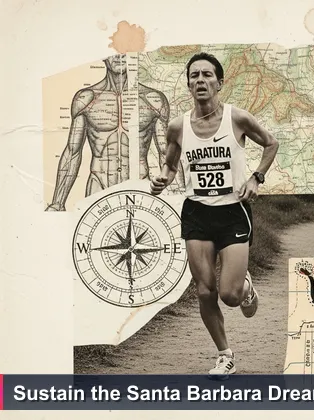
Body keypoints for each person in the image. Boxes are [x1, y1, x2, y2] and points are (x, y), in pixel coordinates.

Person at [149, 52, 280, 376]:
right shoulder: (178, 126)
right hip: (197, 213)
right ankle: (224, 354)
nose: (200, 81)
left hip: (233, 212)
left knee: (230, 295)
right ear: (189, 84)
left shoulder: (237, 118)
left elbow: (271, 143)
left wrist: (256, 177)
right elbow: (170, 162)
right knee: (204, 289)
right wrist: (163, 178)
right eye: (194, 75)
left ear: (219, 83)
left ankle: (245, 287)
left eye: (207, 75)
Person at [47, 53, 184, 211]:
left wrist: (179, 198)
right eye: (114, 52)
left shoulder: (153, 100)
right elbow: (72, 152)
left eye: (125, 52)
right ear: (103, 55)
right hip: (99, 187)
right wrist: (57, 203)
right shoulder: (86, 99)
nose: (119, 56)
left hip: (140, 189)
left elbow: (166, 154)